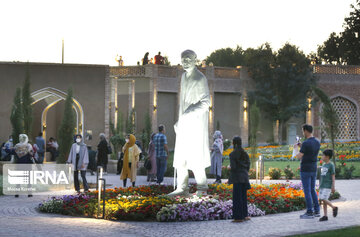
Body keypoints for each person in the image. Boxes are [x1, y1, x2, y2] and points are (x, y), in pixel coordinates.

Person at [169, 50, 211, 196]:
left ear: (195, 60)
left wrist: (188, 114)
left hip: (195, 124)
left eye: (188, 59)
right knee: (181, 158)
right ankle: (182, 187)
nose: (185, 62)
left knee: (195, 157)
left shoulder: (200, 78)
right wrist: (180, 120)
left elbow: (206, 102)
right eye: (183, 59)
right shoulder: (183, 77)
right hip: (184, 124)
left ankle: (202, 188)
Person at [296, 124, 321, 219]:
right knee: (312, 189)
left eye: (303, 130)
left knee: (307, 191)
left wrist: (295, 148)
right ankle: (317, 210)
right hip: (313, 168)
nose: (303, 132)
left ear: (306, 131)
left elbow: (299, 156)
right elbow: (309, 150)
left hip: (305, 168)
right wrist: (301, 146)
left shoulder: (306, 143)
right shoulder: (317, 141)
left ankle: (309, 212)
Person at [229, 136, 251, 223]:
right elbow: (248, 165)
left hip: (237, 178)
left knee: (237, 198)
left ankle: (238, 217)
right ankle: (245, 215)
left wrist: (229, 168)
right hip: (244, 177)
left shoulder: (232, 154)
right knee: (243, 197)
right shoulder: (244, 153)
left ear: (233, 143)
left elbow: (233, 167)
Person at [319, 149, 338, 221]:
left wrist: (333, 186)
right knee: (324, 201)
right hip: (322, 185)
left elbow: (333, 175)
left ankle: (334, 207)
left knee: (323, 198)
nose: (322, 156)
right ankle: (325, 216)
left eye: (323, 155)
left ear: (327, 157)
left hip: (327, 185)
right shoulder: (324, 164)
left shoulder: (331, 165)